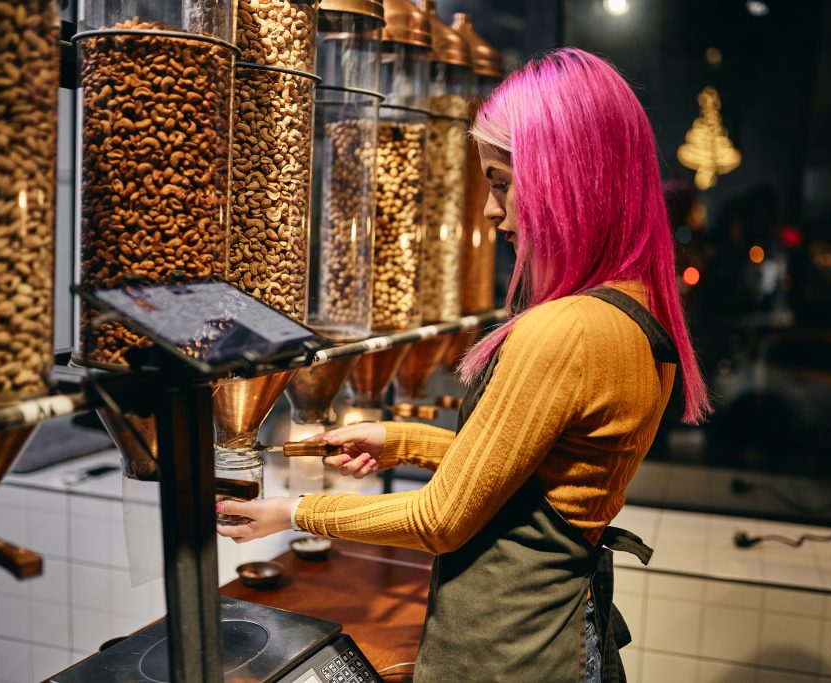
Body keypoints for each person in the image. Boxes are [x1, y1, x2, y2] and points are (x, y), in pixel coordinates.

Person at [216, 47, 710, 683]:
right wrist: (401, 441)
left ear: (571, 178)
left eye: (502, 181)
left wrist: (292, 512)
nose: (488, 210)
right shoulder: (633, 316)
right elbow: (533, 473)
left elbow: (440, 519)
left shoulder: (567, 330)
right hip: (565, 638)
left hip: (513, 657)